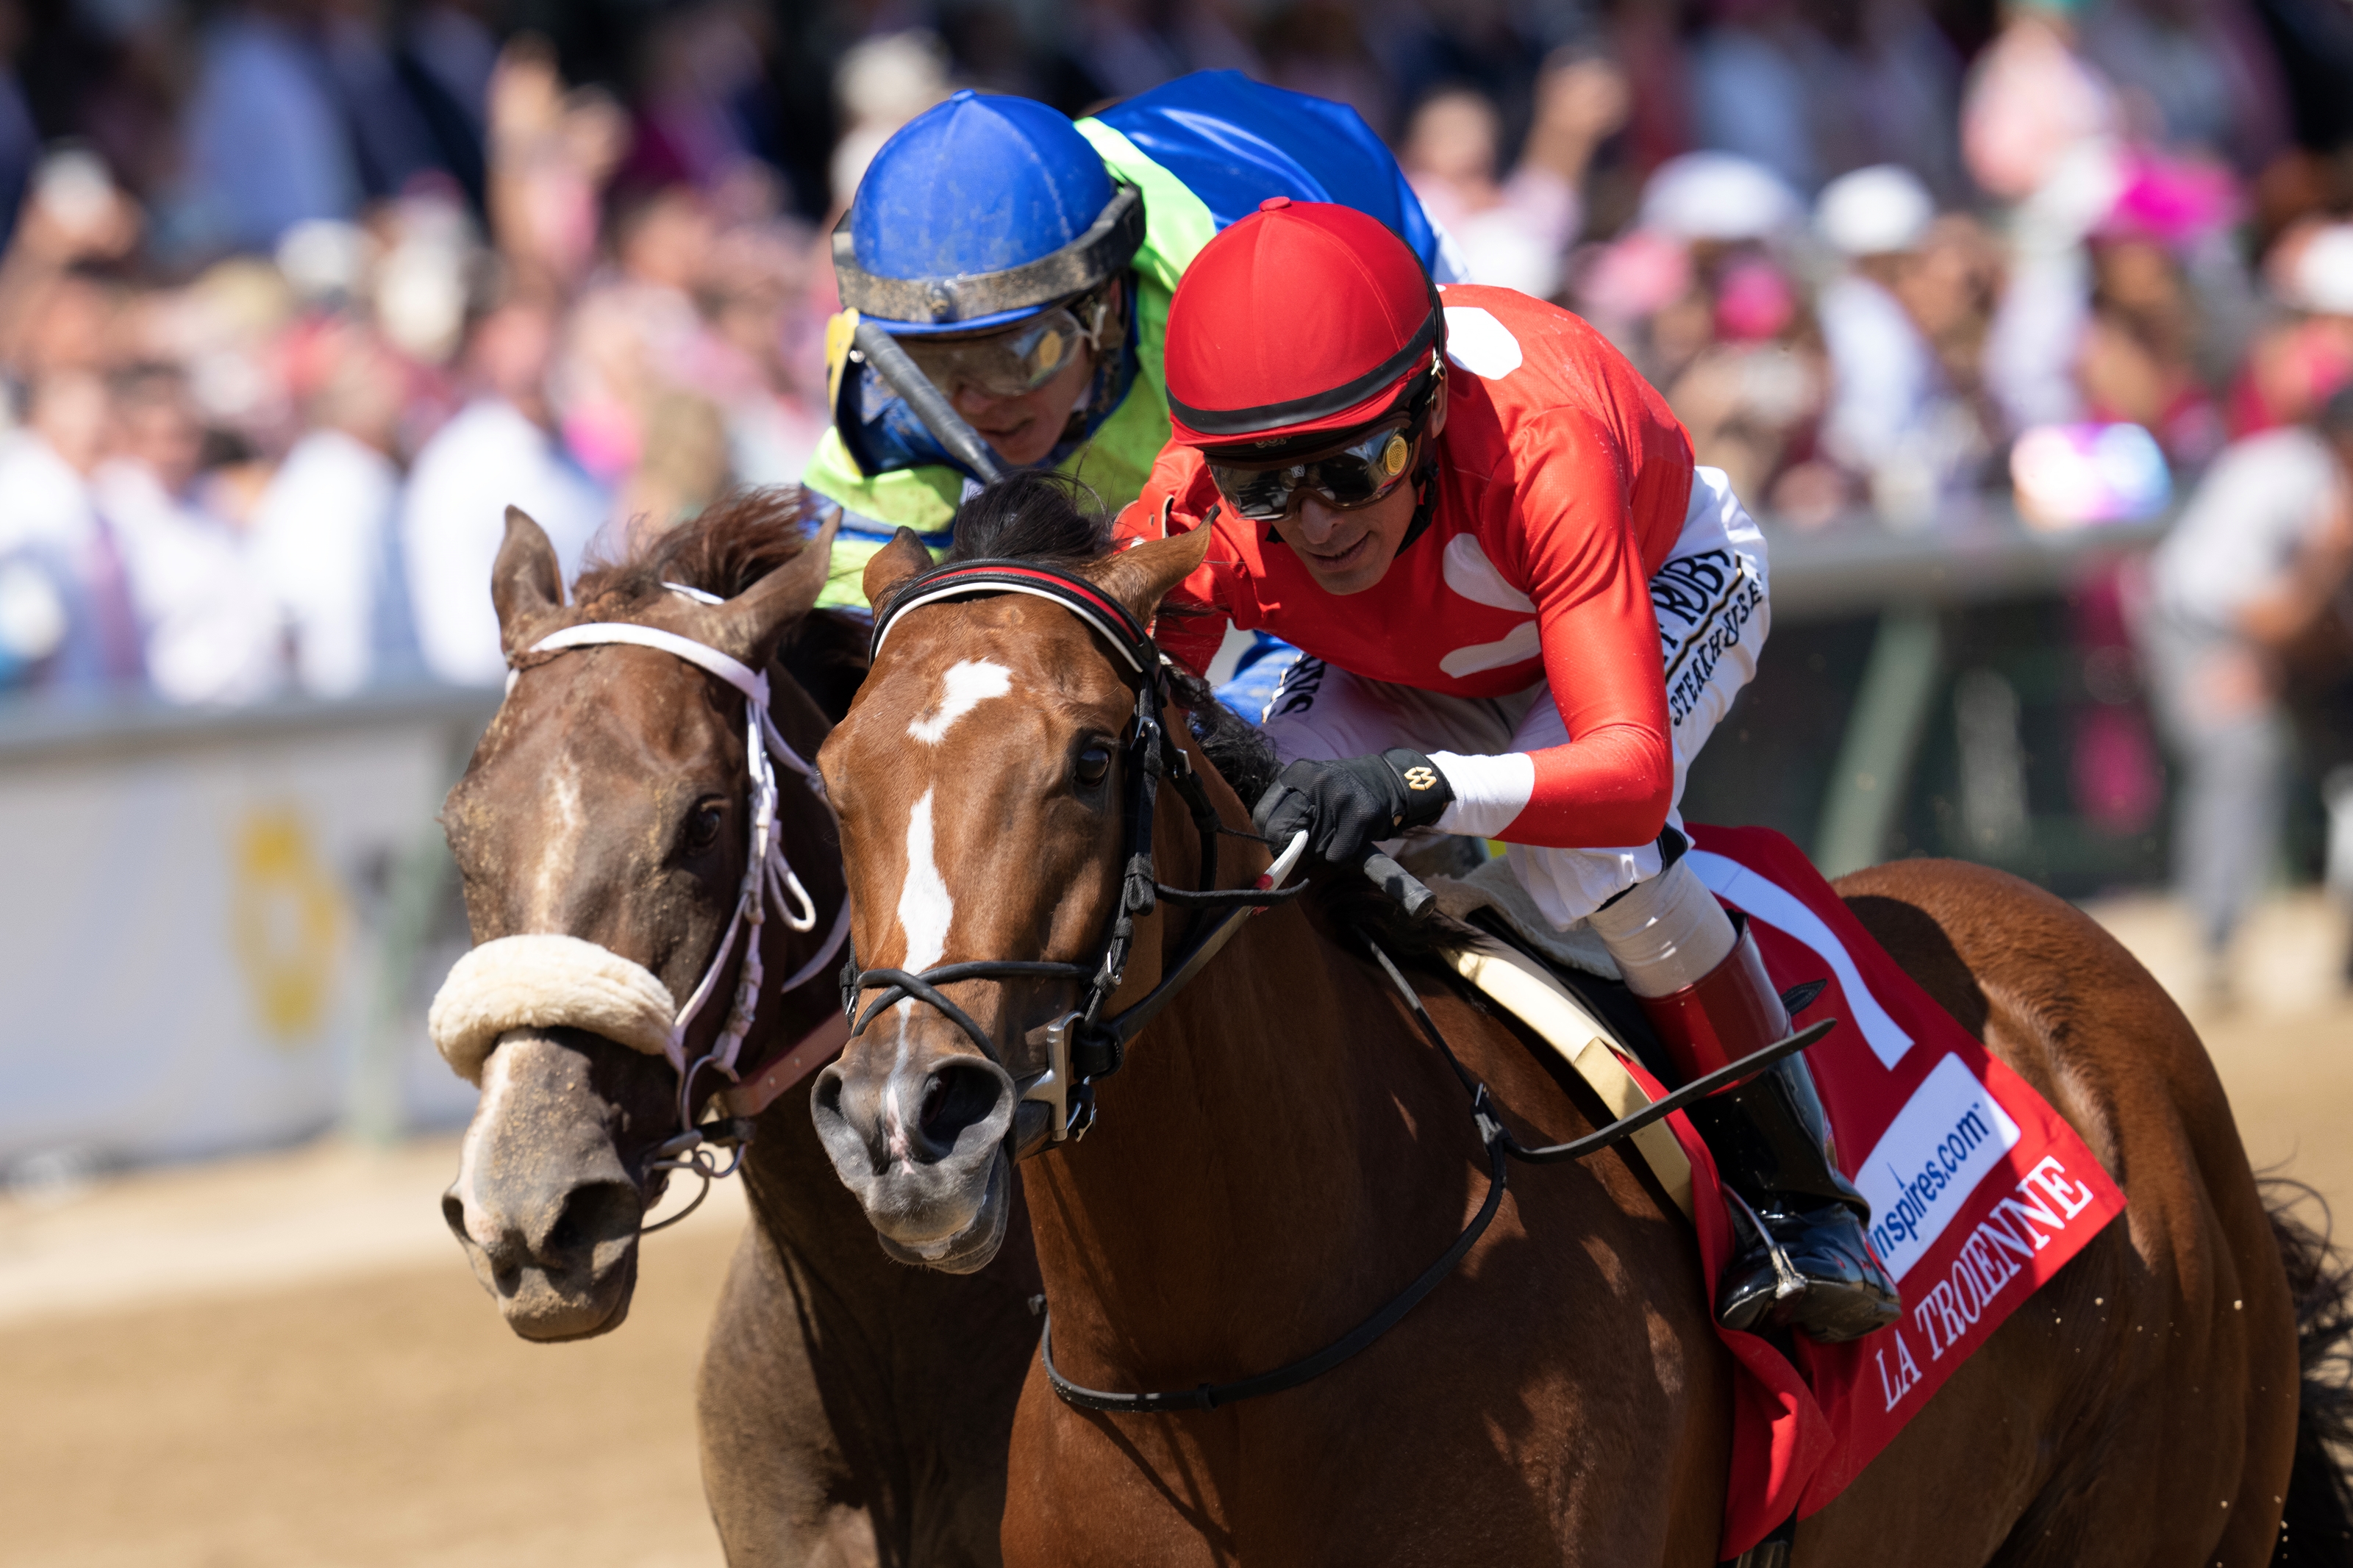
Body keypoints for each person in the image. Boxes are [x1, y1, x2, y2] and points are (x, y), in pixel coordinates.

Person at [1114, 198, 1898, 1343]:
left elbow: (1625, 771)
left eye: (1352, 465)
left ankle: (1801, 1202)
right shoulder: (1192, 503)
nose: (1318, 523)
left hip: (1659, 576)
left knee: (1585, 862)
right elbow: (1141, 724)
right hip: (1400, 658)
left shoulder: (1542, 447)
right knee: (1251, 833)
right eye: (1264, 485)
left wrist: (1418, 788)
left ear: (1429, 409)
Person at [802, 71, 1465, 626]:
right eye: (931, 363)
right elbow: (842, 593)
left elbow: (1317, 582)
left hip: (1361, 264)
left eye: (1016, 354)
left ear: (1107, 306)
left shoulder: (1240, 333)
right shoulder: (895, 391)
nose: (971, 402)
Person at [2138, 385, 2353, 1003]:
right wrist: (2261, 661)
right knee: (2241, 752)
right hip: (2204, 625)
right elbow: (2256, 609)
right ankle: (2216, 942)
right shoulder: (2302, 476)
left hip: (2278, 634)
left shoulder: (2304, 468)